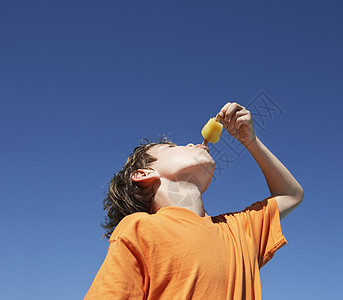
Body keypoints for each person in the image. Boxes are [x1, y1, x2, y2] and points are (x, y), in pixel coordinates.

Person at [85, 102, 304, 299]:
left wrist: (250, 141)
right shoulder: (139, 229)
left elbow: (291, 194)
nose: (191, 144)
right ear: (143, 174)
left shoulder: (240, 229)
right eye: (171, 147)